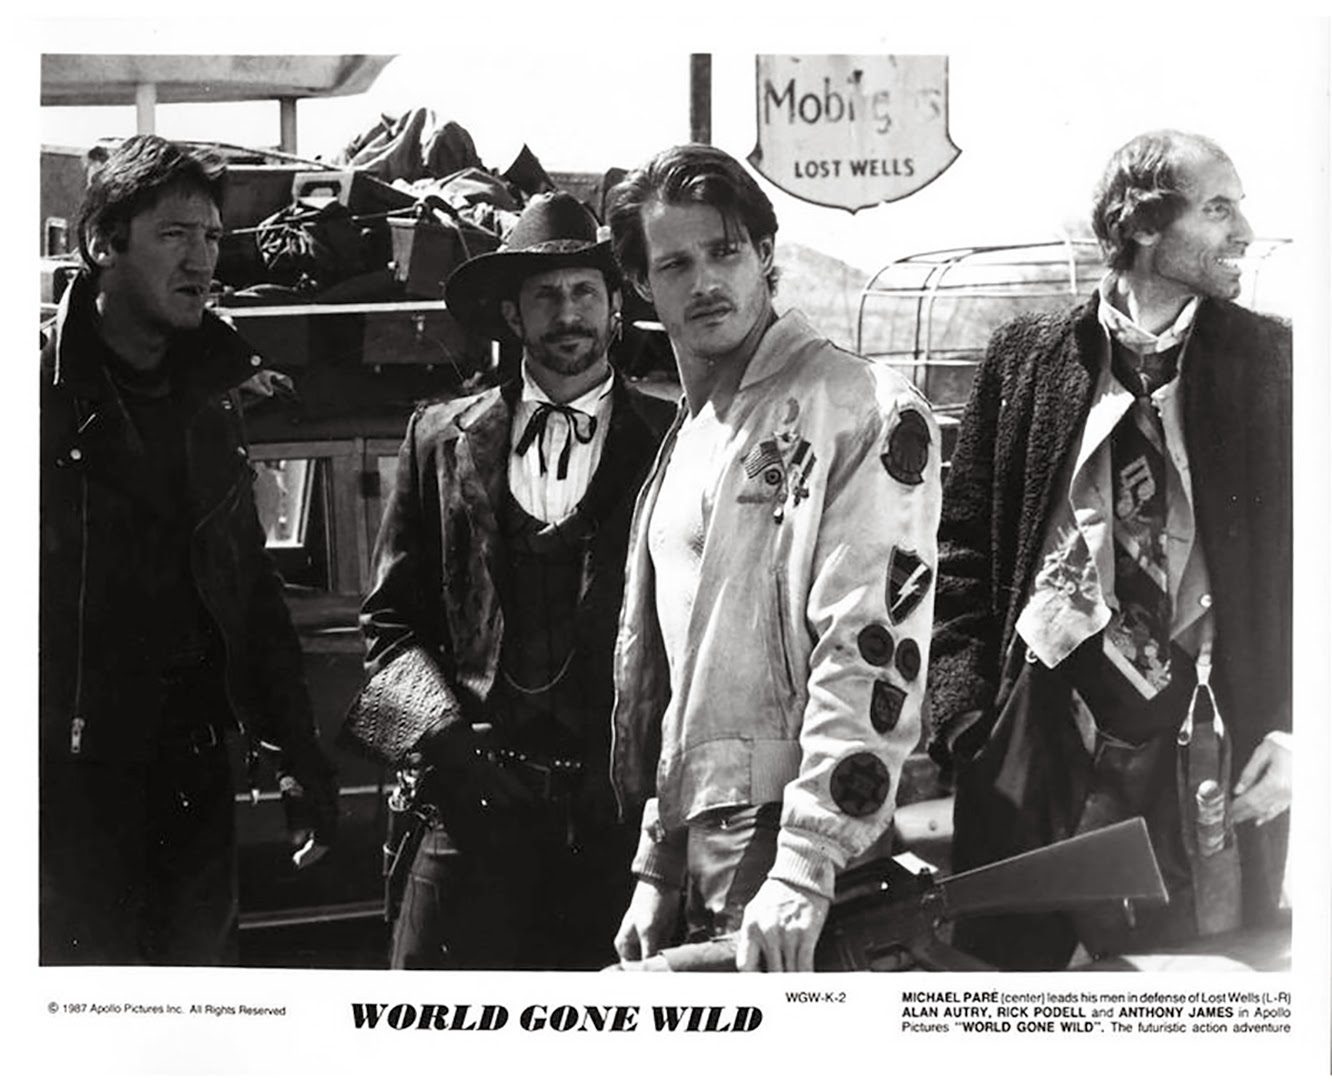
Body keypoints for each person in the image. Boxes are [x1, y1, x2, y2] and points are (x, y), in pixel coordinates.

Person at [927, 130, 1291, 969]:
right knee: (1006, 998)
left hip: (1200, 751)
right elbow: (964, 550)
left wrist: (1300, 727)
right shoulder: (1026, 358)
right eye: (1219, 209)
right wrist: (965, 721)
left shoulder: (1276, 364)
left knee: (1189, 1003)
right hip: (1035, 744)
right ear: (1142, 226)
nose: (1244, 231)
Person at [604, 144, 942, 972]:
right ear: (642, 285)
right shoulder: (689, 435)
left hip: (797, 838)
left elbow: (870, 648)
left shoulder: (859, 405)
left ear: (764, 253)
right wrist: (659, 860)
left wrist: (808, 858)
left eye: (724, 251)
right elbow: (684, 674)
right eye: (675, 264)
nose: (705, 282)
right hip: (705, 846)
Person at [39, 135, 338, 966]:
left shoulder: (211, 396)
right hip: (64, 794)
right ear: (104, 243)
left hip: (191, 783)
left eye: (211, 237)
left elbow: (249, 587)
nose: (202, 259)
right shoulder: (33, 402)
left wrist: (296, 753)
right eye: (175, 234)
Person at [358, 192, 674, 969]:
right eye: (545, 295)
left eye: (584, 292)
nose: (568, 314)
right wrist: (448, 758)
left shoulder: (677, 439)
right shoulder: (437, 437)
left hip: (617, 829)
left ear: (615, 306)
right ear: (511, 313)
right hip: (466, 818)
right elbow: (385, 632)